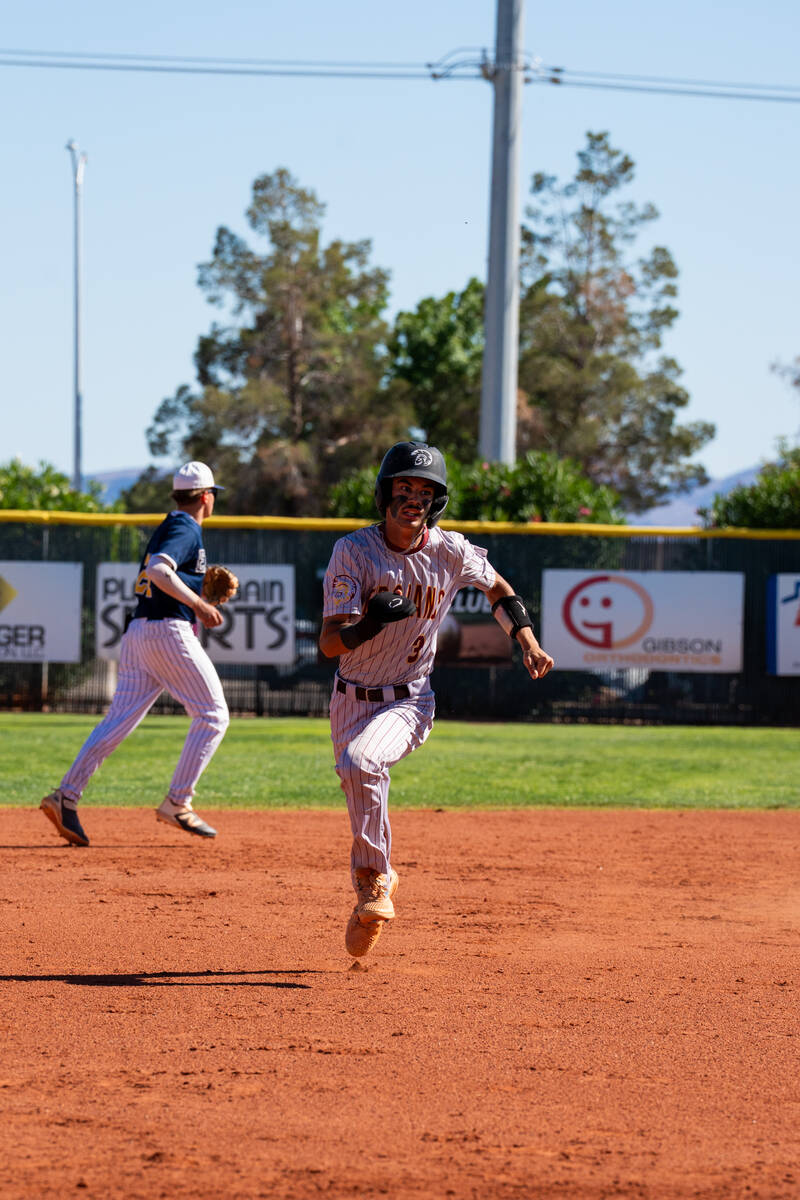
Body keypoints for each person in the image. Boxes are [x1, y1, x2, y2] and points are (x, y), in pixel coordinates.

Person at [319, 441, 554, 957]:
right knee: (355, 778)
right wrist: (370, 623)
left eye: (425, 490)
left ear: (437, 501)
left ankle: (373, 883)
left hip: (409, 699)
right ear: (385, 494)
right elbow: (331, 643)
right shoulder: (353, 552)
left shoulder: (451, 550)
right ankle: (377, 879)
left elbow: (499, 589)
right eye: (405, 486)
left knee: (361, 762)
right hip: (349, 697)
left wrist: (528, 642)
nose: (414, 497)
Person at [40, 462, 230, 847]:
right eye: (213, 496)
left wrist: (195, 589)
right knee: (213, 715)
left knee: (117, 723)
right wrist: (200, 604)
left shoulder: (168, 525)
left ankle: (67, 796)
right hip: (166, 632)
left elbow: (161, 575)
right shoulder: (185, 527)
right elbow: (161, 571)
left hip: (140, 632)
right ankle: (178, 802)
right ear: (206, 497)